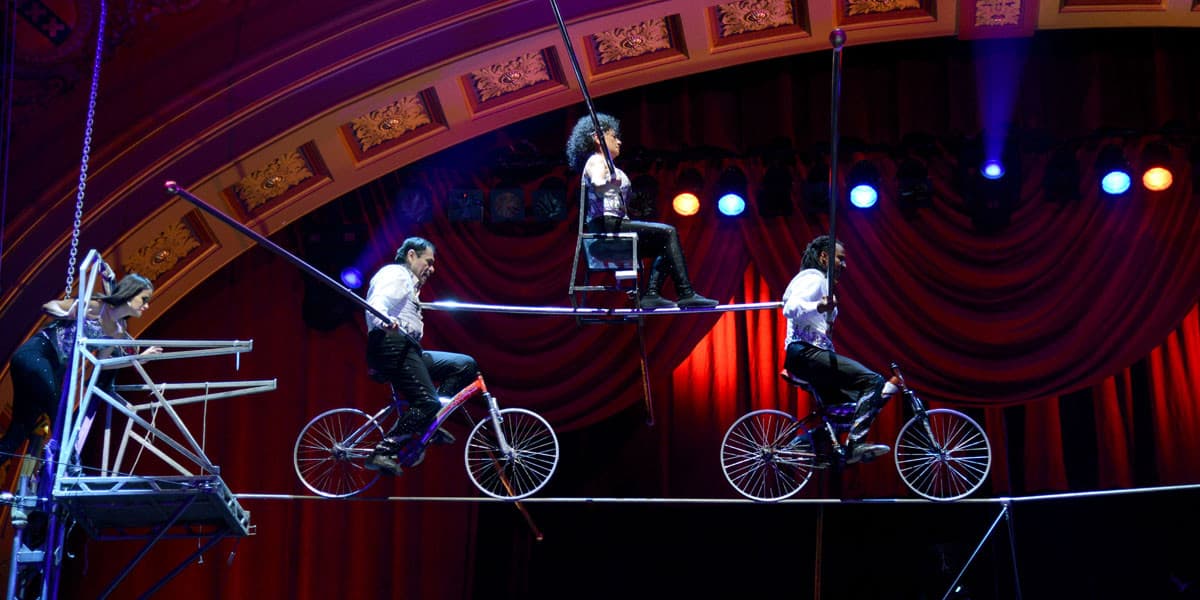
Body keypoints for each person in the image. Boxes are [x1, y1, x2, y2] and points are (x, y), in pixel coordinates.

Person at [1, 272, 162, 467]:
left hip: (52, 367)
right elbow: (49, 306)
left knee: (19, 431)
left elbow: (101, 362)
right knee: (61, 407)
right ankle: (71, 464)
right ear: (130, 293)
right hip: (36, 354)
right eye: (143, 299)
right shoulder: (96, 307)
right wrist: (69, 313)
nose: (146, 306)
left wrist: (137, 360)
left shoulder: (117, 330)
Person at [566, 113, 719, 310]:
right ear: (598, 138)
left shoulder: (610, 165)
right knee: (668, 232)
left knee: (666, 246)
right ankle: (685, 293)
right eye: (614, 136)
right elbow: (597, 183)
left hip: (614, 226)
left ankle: (652, 294)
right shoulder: (597, 160)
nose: (619, 141)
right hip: (606, 226)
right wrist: (608, 185)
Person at [363, 237, 478, 476]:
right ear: (411, 255)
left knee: (464, 366)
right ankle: (383, 450)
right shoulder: (396, 274)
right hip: (390, 343)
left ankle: (429, 420)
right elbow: (377, 301)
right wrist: (384, 318)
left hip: (407, 347)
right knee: (427, 401)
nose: (432, 269)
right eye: (429, 261)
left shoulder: (412, 287)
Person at [782, 235, 898, 464]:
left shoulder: (824, 285)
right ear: (825, 257)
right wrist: (819, 305)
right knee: (872, 381)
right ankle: (856, 445)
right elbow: (791, 307)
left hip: (810, 354)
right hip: (806, 354)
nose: (844, 265)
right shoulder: (813, 278)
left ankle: (801, 445)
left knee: (844, 409)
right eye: (840, 259)